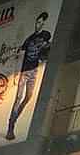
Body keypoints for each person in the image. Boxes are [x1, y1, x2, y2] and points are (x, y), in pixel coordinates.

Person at [7, 11, 53, 140]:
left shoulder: (46, 35)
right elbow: (20, 55)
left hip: (34, 71)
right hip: (24, 72)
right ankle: (11, 126)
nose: (38, 25)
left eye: (40, 23)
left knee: (28, 97)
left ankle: (14, 119)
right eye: (37, 22)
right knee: (18, 98)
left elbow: (48, 46)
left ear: (43, 23)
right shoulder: (29, 39)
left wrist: (44, 54)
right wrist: (16, 73)